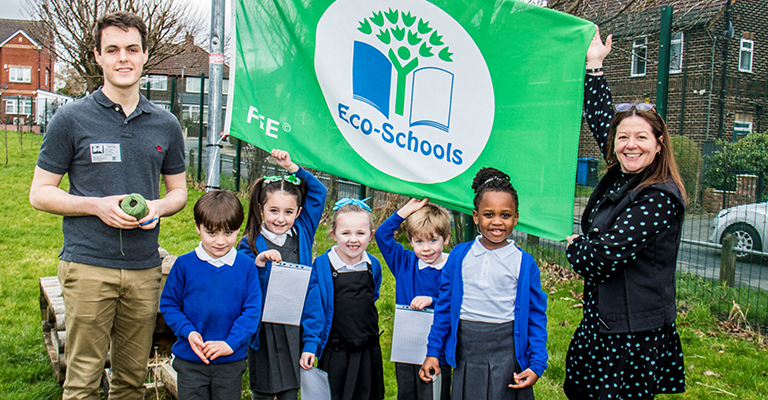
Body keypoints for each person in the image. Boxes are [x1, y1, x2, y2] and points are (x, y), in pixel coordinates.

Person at [28, 11, 187, 399]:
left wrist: (156, 208)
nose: (123, 58)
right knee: (82, 381)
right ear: (98, 56)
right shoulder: (71, 119)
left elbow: (178, 193)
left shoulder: (165, 124)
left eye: (132, 49)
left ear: (146, 54)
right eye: (112, 49)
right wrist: (96, 206)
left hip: (145, 269)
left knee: (131, 382)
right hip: (87, 266)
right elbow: (40, 193)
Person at [562, 27, 687, 399]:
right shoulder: (624, 170)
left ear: (659, 145)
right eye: (623, 138)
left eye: (642, 138)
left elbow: (601, 258)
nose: (630, 145)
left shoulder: (659, 197)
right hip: (603, 320)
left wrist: (574, 248)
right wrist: (595, 65)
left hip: (632, 334)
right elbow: (604, 122)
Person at [419, 167, 548, 400]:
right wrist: (433, 352)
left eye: (505, 215)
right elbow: (444, 308)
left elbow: (536, 317)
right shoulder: (459, 256)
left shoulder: (524, 263)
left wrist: (537, 363)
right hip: (467, 352)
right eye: (489, 214)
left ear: (516, 217)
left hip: (506, 354)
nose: (497, 222)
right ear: (476, 216)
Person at [237, 149, 327, 400]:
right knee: (262, 392)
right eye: (273, 210)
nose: (280, 218)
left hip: (294, 329)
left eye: (288, 212)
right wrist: (259, 263)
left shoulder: (302, 232)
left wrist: (292, 167)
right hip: (264, 332)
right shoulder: (250, 244)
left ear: (298, 213)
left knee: (290, 391)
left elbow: (319, 192)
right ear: (261, 209)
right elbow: (244, 285)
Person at [160, 190, 265, 400]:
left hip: (230, 361)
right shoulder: (183, 265)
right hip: (190, 360)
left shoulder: (246, 267)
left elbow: (252, 312)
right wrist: (188, 332)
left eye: (228, 233)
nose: (220, 241)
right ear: (197, 227)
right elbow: (170, 305)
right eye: (211, 233)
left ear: (238, 230)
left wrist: (230, 343)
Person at [300, 199, 385, 400]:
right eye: (345, 233)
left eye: (360, 233)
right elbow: (314, 310)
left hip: (367, 349)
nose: (353, 239)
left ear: (370, 236)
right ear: (333, 234)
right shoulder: (322, 266)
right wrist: (310, 344)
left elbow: (373, 296)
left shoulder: (373, 265)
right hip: (336, 351)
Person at [374, 198, 453, 400]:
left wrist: (432, 301)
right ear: (410, 242)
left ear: (446, 239)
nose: (426, 248)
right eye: (419, 241)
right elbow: (382, 235)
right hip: (407, 350)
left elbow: (456, 304)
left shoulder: (453, 267)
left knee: (434, 396)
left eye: (432, 240)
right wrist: (407, 210)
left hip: (438, 352)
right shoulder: (404, 262)